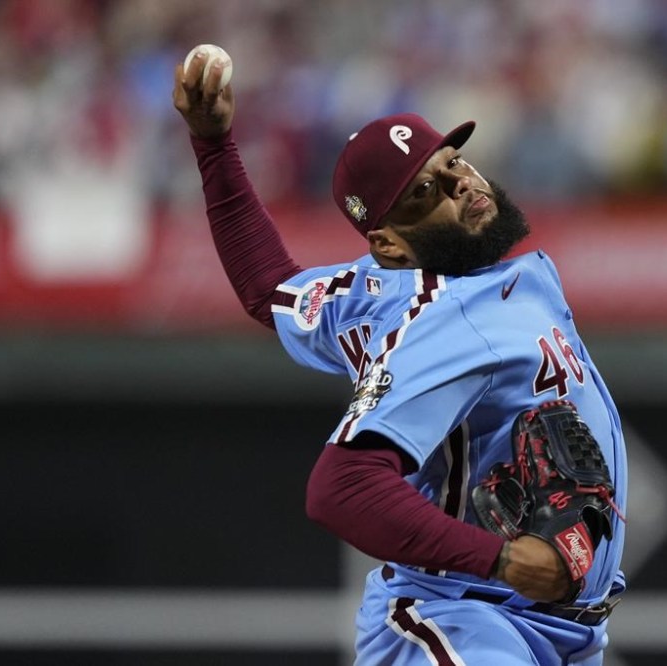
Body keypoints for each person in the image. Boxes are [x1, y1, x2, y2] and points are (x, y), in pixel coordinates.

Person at [173, 49, 628, 665]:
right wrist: (501, 558)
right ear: (389, 241)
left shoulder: (375, 290)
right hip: (466, 614)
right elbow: (342, 487)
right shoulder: (447, 319)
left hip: (553, 629)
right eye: (426, 190)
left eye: (453, 161)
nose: (462, 182)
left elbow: (268, 288)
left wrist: (214, 146)